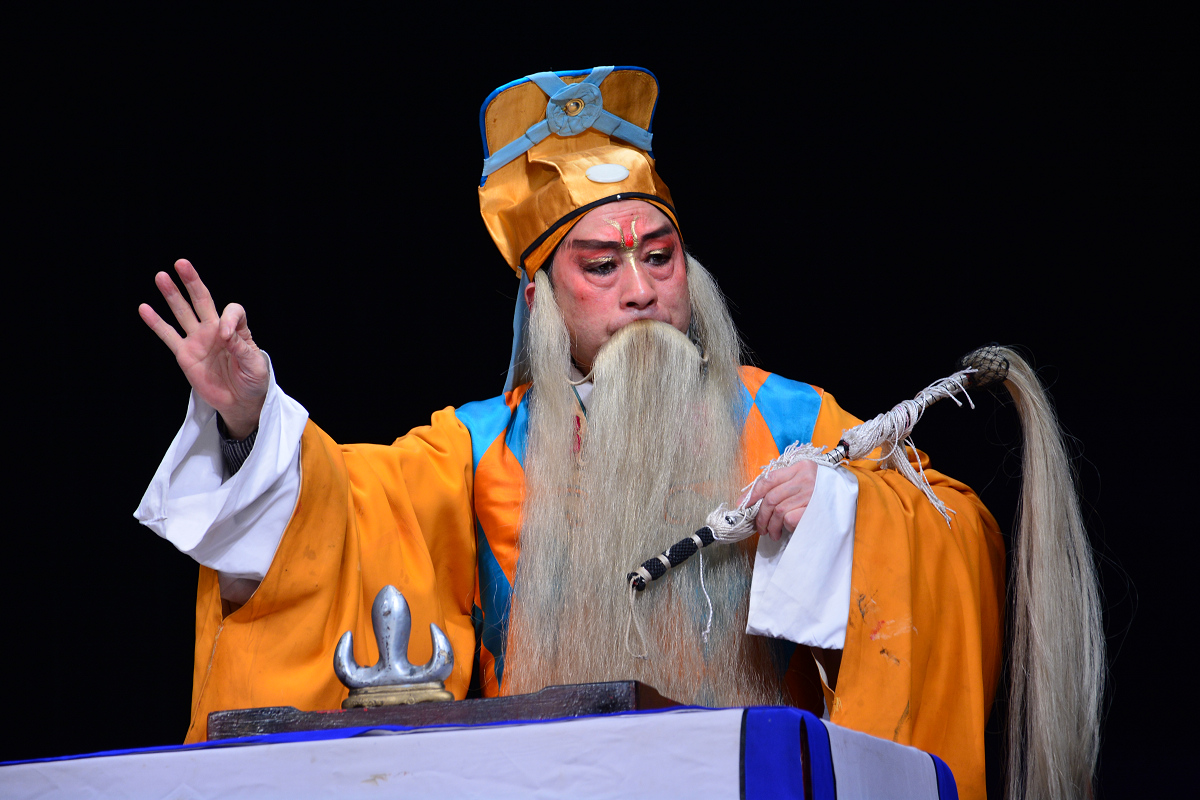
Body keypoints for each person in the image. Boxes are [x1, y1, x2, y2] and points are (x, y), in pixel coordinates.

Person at [136, 67, 1004, 799]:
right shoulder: (475, 452)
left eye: (658, 257)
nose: (641, 290)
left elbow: (950, 527)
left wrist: (844, 511)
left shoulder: (792, 422)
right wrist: (246, 421)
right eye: (601, 265)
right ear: (540, 298)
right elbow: (335, 518)